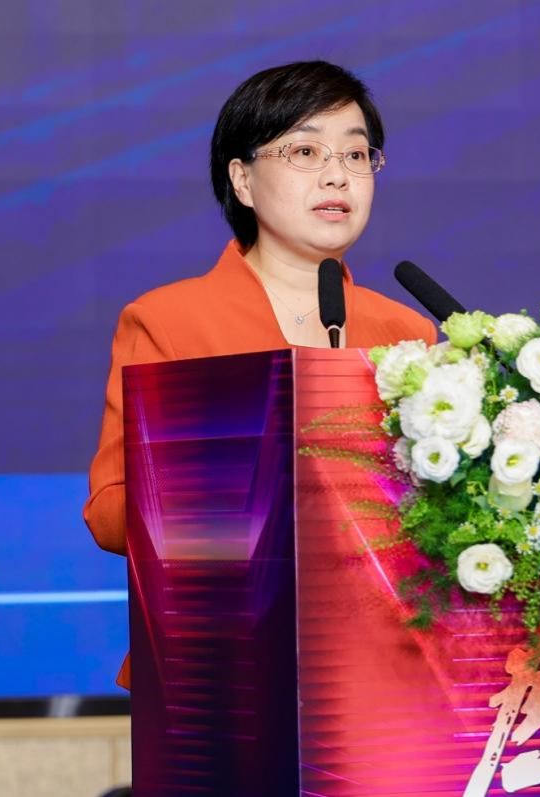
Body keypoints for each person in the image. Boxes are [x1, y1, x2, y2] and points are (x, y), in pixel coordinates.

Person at [84, 61, 436, 689]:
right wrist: (248, 494)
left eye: (357, 155)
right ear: (242, 180)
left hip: (385, 678)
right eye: (305, 151)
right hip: (223, 673)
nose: (337, 174)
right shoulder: (170, 321)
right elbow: (111, 513)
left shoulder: (406, 331)